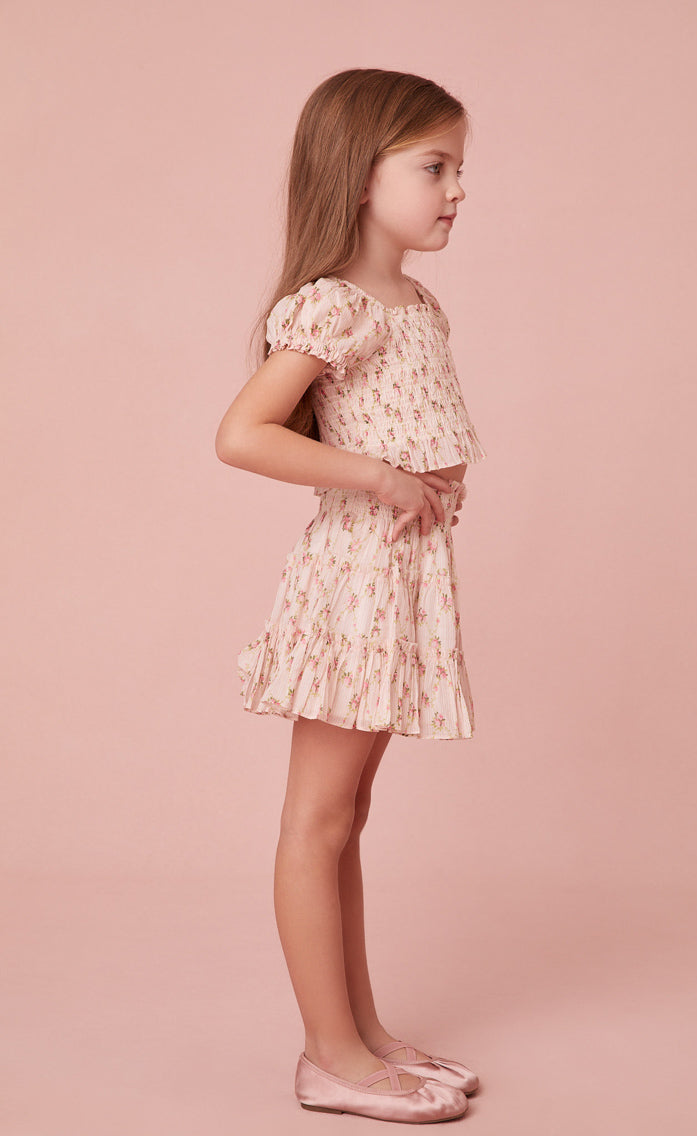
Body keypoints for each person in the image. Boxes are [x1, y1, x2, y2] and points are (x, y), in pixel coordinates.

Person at [215, 68, 486, 1123]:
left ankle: (360, 1028)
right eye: (434, 166)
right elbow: (243, 434)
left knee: (348, 816)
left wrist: (430, 478)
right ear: (361, 174)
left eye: (459, 168)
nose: (457, 189)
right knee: (318, 818)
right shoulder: (334, 303)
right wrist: (379, 478)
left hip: (399, 582)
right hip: (354, 586)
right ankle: (327, 1053)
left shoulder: (415, 304)